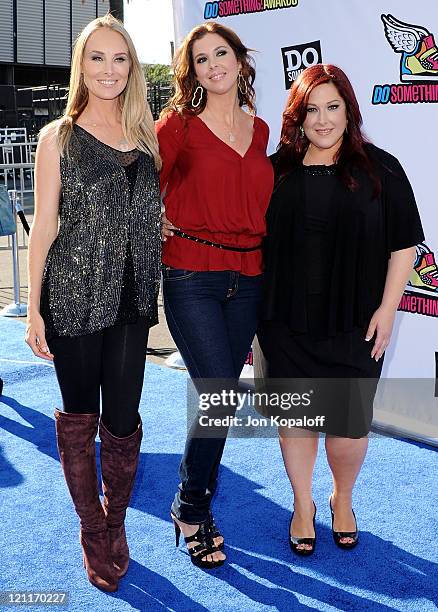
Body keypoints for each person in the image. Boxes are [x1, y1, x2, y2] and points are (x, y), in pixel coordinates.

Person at [255, 64, 424, 556]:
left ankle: (342, 498)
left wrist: (388, 310)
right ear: (297, 116)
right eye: (312, 109)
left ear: (349, 110)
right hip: (284, 323)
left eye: (333, 107)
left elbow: (403, 245)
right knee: (297, 423)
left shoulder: (381, 169)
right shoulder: (275, 171)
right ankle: (303, 503)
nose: (323, 119)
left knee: (347, 429)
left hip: (354, 324)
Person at [25, 15, 161, 591]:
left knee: (123, 418)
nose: (109, 70)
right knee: (80, 418)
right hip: (74, 295)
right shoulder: (57, 136)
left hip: (133, 297)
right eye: (97, 58)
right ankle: (91, 529)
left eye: (120, 59)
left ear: (133, 67)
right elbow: (44, 226)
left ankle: (118, 521)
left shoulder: (146, 133)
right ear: (81, 65)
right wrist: (33, 308)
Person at [157, 22, 273, 568]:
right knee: (220, 394)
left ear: (239, 61)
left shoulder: (261, 130)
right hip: (191, 275)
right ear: (193, 73)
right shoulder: (177, 126)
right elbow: (138, 183)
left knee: (222, 402)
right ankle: (192, 508)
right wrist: (150, 219)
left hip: (248, 277)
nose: (213, 65)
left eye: (220, 53)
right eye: (201, 59)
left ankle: (192, 503)